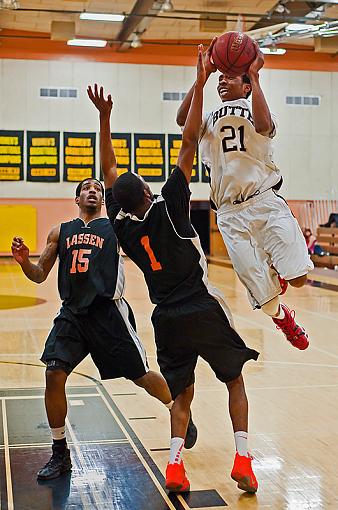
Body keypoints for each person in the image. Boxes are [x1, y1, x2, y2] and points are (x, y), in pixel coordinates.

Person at [88, 45, 259, 494]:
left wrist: (104, 120)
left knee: (181, 395)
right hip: (200, 306)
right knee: (234, 379)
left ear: (118, 205)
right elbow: (187, 141)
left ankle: (176, 467)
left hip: (164, 317)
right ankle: (243, 458)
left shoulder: (123, 231)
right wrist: (200, 83)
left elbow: (109, 173)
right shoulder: (172, 207)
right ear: (146, 190)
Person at [11, 177, 179, 481]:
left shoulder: (115, 228)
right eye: (87, 188)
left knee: (140, 375)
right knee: (53, 372)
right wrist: (24, 262)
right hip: (73, 313)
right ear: (77, 199)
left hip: (108, 313)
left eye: (98, 189)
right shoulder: (59, 231)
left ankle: (176, 408)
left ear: (103, 199)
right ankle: (60, 452)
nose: (93, 191)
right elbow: (38, 275)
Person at [176, 38, 313, 351]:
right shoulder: (208, 116)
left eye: (230, 77)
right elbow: (183, 121)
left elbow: (264, 127)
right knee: (266, 302)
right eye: (221, 78)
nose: (223, 81)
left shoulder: (258, 110)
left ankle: (279, 268)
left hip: (266, 202)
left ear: (247, 86)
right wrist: (203, 77)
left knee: (300, 279)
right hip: (229, 214)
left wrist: (256, 76)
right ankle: (283, 319)